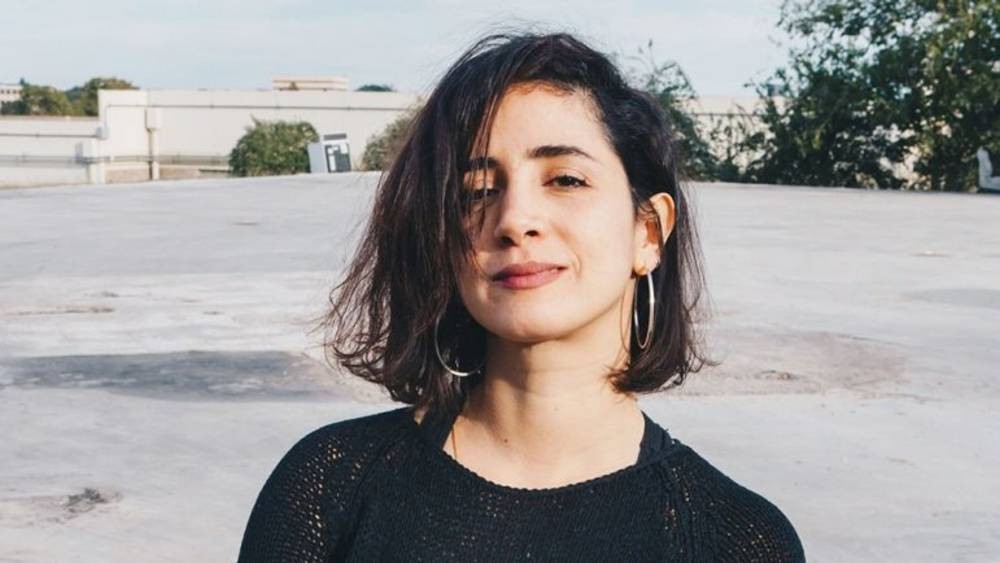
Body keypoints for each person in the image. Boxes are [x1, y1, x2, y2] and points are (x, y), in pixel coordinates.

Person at [237, 30, 806, 562]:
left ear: (648, 231)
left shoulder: (734, 539)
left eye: (565, 179)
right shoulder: (329, 487)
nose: (514, 219)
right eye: (478, 190)